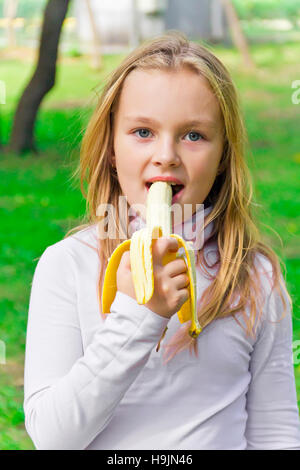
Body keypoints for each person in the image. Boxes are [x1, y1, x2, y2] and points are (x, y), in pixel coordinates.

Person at [23, 31, 300, 450]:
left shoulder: (254, 275)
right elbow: (53, 437)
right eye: (142, 132)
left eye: (193, 135)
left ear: (223, 155)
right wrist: (140, 314)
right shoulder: (68, 265)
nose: (167, 155)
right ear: (111, 149)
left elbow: (274, 431)